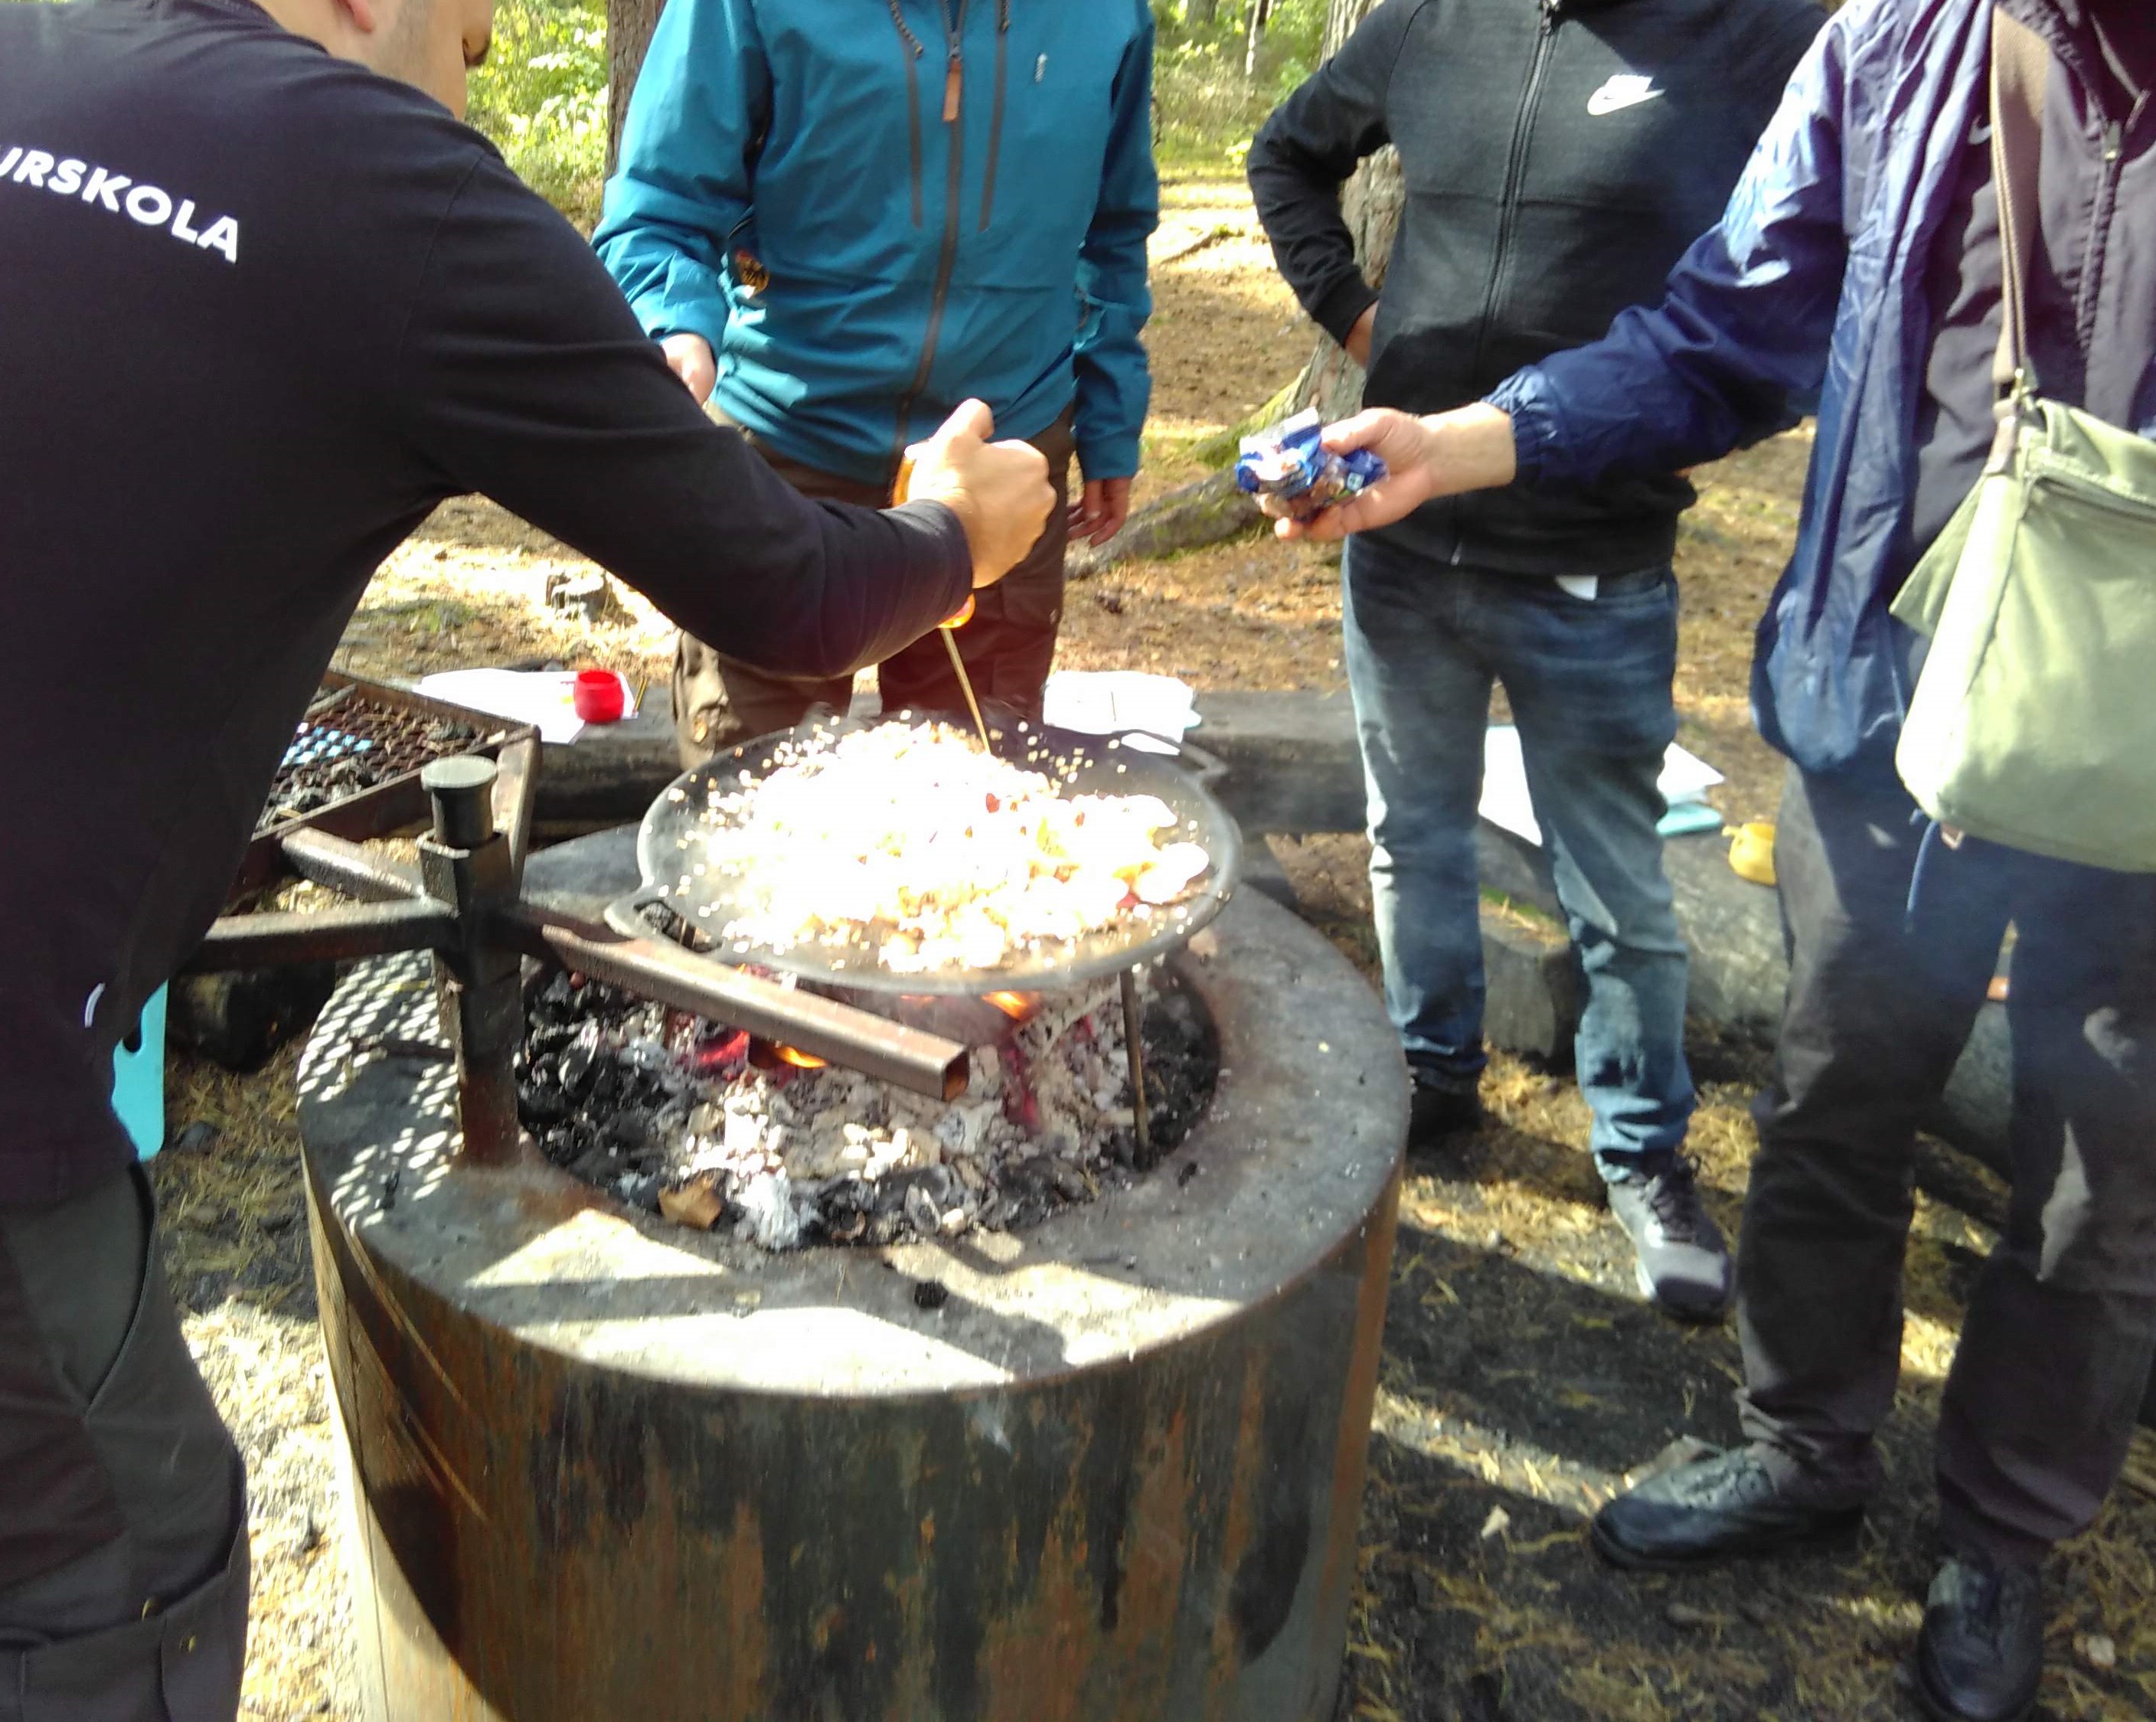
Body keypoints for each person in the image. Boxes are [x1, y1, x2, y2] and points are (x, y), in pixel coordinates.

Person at [0, 0, 1054, 1710]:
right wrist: (952, 532)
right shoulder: (372, 172)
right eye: (467, 13)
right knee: (87, 1592)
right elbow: (786, 593)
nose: (490, 35)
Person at [1264, 2, 2156, 1715]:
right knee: (1831, 1098)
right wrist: (1458, 436)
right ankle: (1799, 1442)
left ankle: (2000, 1542)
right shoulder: (1897, 47)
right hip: (1878, 700)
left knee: (2098, 1174)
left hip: (2135, 769)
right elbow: (1719, 332)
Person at [1245, 0, 1823, 1322]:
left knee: (1613, 883)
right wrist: (1355, 320)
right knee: (1412, 834)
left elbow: (1800, 278)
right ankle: (1427, 1072)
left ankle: (1640, 1150)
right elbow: (1285, 152)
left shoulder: (1752, 37)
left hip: (1593, 561)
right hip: (1397, 541)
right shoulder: (1433, 22)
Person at [594, 0, 1159, 766]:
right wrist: (674, 327)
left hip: (1003, 450)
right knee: (750, 794)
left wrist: (1110, 416)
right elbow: (662, 205)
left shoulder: (1107, 15)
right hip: (782, 452)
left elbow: (1116, 230)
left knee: (975, 795)